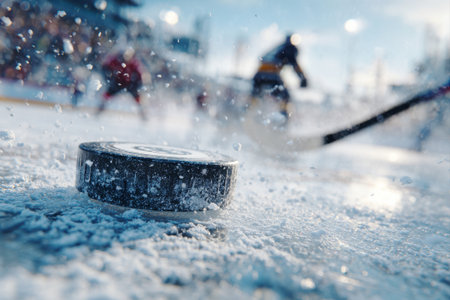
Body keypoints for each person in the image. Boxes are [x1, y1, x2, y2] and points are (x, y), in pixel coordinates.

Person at [250, 33, 308, 119]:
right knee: (285, 96)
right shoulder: (290, 48)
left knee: (257, 95)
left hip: (258, 74)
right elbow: (294, 64)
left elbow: (261, 58)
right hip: (272, 74)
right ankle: (283, 118)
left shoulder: (277, 48)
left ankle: (250, 113)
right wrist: (303, 79)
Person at [97, 47, 147, 120]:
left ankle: (143, 114)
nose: (124, 59)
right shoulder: (114, 60)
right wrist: (109, 78)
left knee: (138, 98)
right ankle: (100, 109)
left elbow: (141, 75)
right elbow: (105, 67)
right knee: (107, 94)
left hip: (129, 83)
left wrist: (137, 84)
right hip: (117, 82)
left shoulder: (134, 63)